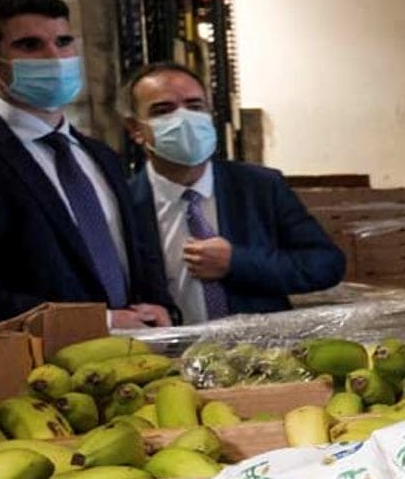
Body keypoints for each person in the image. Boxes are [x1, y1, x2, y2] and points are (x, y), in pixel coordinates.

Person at [0, 0, 172, 329]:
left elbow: (134, 253)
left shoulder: (100, 155)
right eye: (29, 45)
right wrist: (101, 322)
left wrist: (160, 308)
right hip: (28, 371)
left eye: (63, 42)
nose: (54, 58)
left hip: (129, 364)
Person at [121, 62, 345, 323]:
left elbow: (325, 264)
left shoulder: (260, 187)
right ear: (135, 129)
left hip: (263, 354)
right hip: (165, 356)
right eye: (163, 110)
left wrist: (237, 262)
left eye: (195, 107)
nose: (184, 119)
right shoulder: (123, 203)